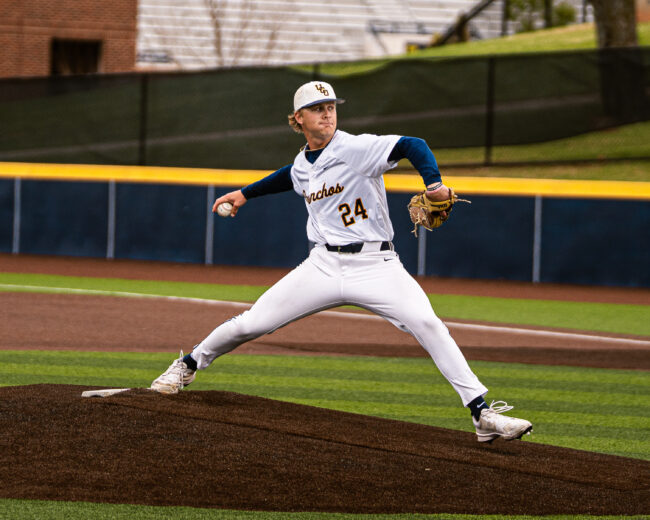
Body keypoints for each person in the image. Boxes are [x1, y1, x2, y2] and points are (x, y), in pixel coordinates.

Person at [151, 81, 533, 443]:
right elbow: (293, 176)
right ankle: (188, 365)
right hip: (323, 266)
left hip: (377, 264)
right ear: (297, 118)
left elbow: (413, 144)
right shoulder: (304, 163)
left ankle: (482, 415)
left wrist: (433, 184)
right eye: (317, 109)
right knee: (252, 323)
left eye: (331, 107)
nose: (327, 114)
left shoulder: (357, 148)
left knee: (428, 324)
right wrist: (246, 194)